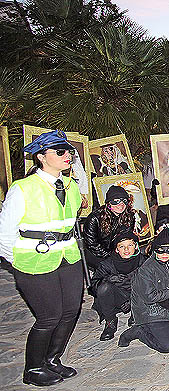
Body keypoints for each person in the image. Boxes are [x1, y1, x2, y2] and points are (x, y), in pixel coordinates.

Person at [0, 130, 84, 386]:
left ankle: (52, 359)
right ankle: (33, 368)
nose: (67, 155)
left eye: (68, 150)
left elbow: (70, 219)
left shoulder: (69, 186)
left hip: (68, 257)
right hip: (34, 261)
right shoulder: (23, 188)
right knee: (49, 316)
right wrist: (18, 264)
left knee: (70, 310)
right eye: (60, 152)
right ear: (41, 157)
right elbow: (4, 234)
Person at [119, 229, 169, 353]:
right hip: (150, 312)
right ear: (154, 249)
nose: (165, 253)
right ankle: (139, 331)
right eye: (160, 249)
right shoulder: (146, 269)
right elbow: (150, 297)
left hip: (168, 308)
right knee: (168, 346)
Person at [93, 232, 143, 341]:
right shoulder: (107, 264)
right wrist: (108, 279)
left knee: (144, 282)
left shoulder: (143, 261)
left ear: (135, 246)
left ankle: (136, 313)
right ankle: (110, 321)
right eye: (122, 246)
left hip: (136, 296)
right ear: (117, 249)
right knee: (104, 287)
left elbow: (152, 285)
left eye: (130, 245)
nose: (126, 249)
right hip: (117, 296)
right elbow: (94, 287)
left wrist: (132, 302)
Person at [83, 185, 141, 269]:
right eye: (116, 201)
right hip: (95, 253)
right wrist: (111, 256)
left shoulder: (129, 216)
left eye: (124, 201)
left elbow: (126, 238)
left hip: (117, 250)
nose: (120, 204)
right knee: (109, 268)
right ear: (108, 203)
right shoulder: (94, 218)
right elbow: (92, 244)